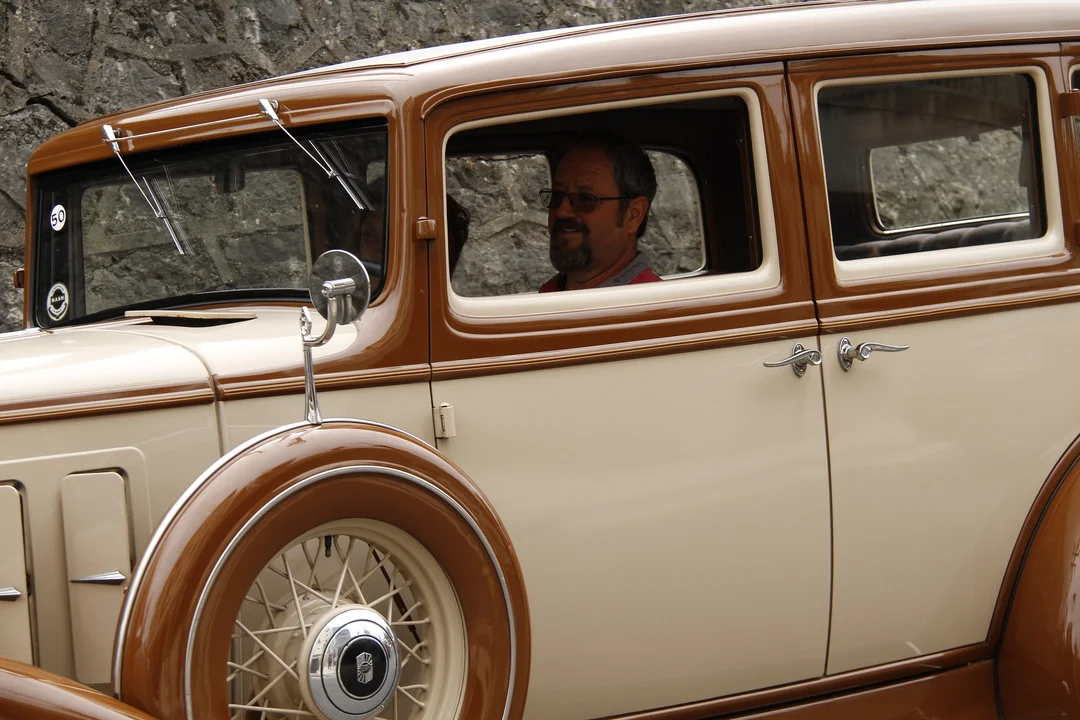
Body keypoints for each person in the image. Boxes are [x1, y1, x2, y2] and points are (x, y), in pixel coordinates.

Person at [538, 132, 660, 292]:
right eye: (557, 196)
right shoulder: (549, 294)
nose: (562, 212)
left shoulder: (654, 304)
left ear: (633, 215)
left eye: (585, 198)